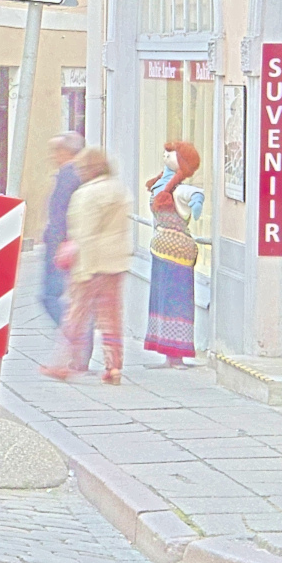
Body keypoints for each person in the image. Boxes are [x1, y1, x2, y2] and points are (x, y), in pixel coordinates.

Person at [42, 146, 133, 387]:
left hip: (91, 265)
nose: (79, 173)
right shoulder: (119, 189)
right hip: (115, 263)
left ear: (88, 169)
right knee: (111, 317)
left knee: (76, 316)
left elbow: (85, 236)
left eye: (81, 168)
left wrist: (82, 272)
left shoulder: (86, 194)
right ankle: (114, 367)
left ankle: (64, 364)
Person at [145, 139, 204, 367]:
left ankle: (176, 352)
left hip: (176, 252)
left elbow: (196, 194)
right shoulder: (162, 184)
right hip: (162, 248)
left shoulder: (179, 189)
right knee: (164, 299)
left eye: (171, 154)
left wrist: (197, 206)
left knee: (175, 300)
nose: (165, 156)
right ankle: (169, 352)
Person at [39, 133, 83, 331]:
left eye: (56, 151)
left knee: (51, 295)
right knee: (67, 294)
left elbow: (60, 213)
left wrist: (56, 243)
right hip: (69, 243)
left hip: (61, 245)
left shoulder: (68, 176)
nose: (53, 156)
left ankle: (75, 332)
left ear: (66, 152)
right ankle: (79, 331)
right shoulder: (78, 174)